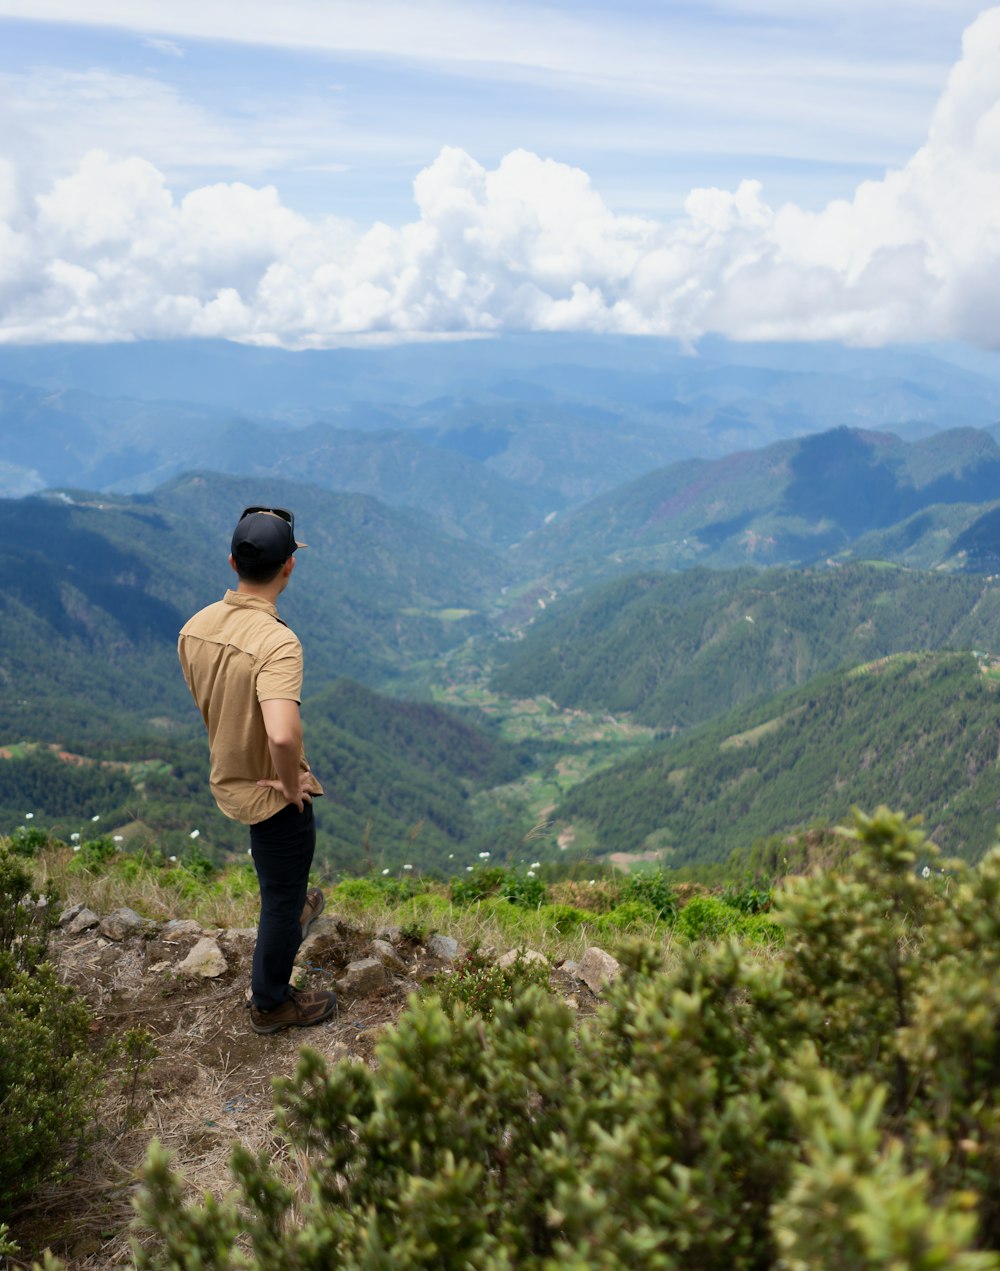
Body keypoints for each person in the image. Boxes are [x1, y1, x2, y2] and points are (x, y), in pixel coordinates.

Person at [178, 506, 336, 1035]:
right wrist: (291, 785)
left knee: (283, 882)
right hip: (271, 793)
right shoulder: (277, 642)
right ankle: (270, 1002)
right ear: (289, 567)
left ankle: (295, 911)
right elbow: (283, 733)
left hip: (230, 776)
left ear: (232, 561)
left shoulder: (195, 628)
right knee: (280, 895)